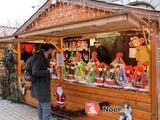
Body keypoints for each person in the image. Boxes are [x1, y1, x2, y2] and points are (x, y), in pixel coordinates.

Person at [30, 44, 55, 120]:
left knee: (41, 106)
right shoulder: (39, 58)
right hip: (41, 87)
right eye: (53, 50)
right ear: (50, 50)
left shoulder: (43, 57)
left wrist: (49, 71)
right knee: (46, 109)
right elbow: (35, 72)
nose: (53, 52)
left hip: (42, 86)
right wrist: (48, 71)